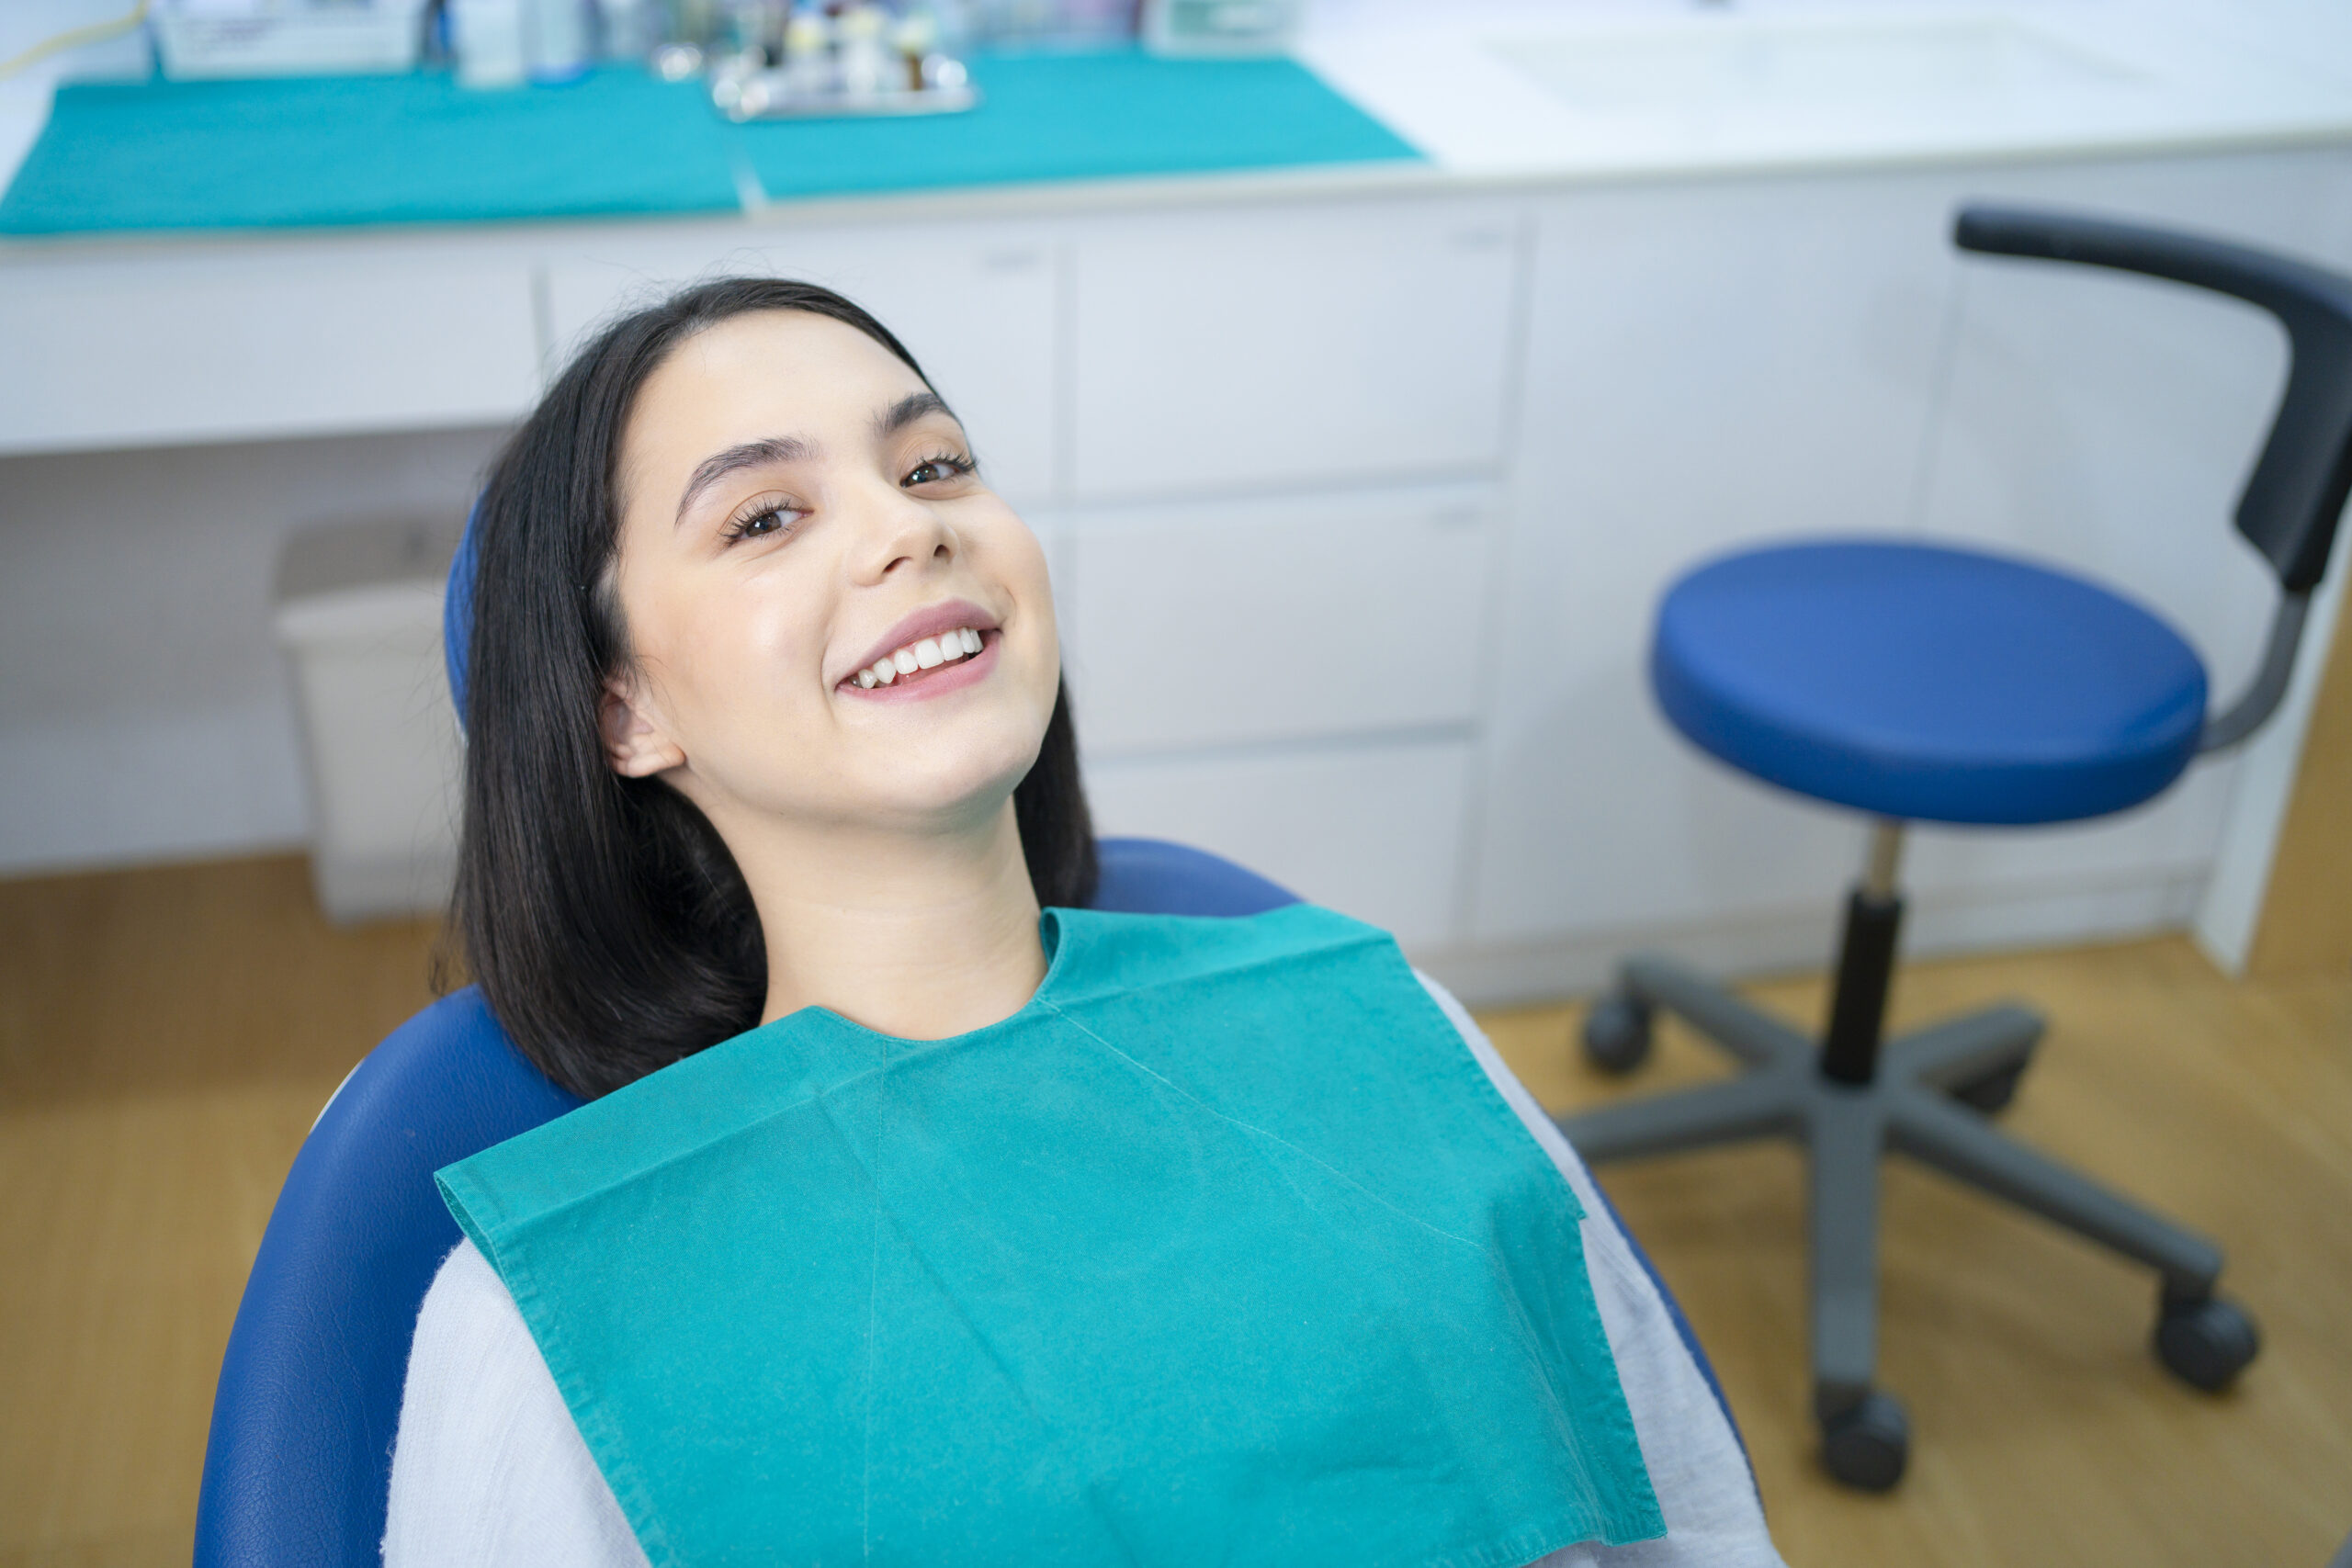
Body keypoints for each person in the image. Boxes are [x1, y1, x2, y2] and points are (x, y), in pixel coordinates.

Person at [384, 277, 1781, 1567]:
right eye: (764, 517)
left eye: (933, 465)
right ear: (624, 708)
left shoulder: (1390, 1029)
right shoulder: (552, 1330)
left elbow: (1694, 1528)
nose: (909, 525)